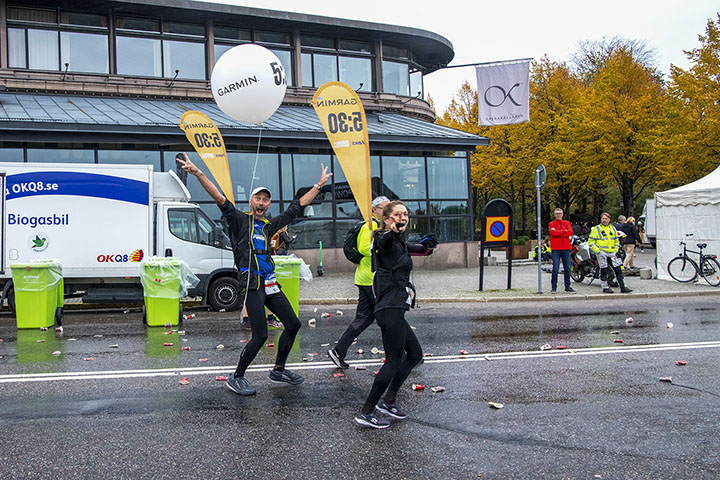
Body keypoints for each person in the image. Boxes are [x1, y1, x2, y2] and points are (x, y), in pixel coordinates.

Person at [177, 153, 331, 396]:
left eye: (266, 200)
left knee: (293, 324)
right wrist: (198, 173)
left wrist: (319, 184)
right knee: (260, 335)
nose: (262, 202)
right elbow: (219, 197)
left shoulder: (269, 225)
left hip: (270, 283)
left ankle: (278, 370)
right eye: (258, 198)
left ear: (268, 205)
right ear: (251, 201)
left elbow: (297, 207)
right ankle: (236, 376)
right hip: (252, 283)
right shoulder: (239, 220)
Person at [354, 200, 436, 429]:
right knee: (393, 360)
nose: (403, 218)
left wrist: (429, 244)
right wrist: (392, 231)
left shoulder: (399, 242)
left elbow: (419, 248)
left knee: (415, 354)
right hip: (389, 308)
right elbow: (385, 239)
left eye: (405, 214)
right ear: (387, 218)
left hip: (396, 307)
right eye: (398, 214)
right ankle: (366, 411)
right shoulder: (382, 238)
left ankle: (389, 400)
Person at [328, 196, 390, 369]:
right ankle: (401, 354)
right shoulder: (370, 226)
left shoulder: (379, 225)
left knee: (363, 319)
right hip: (372, 279)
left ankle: (338, 351)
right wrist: (384, 247)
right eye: (383, 208)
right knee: (390, 316)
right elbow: (364, 248)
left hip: (366, 278)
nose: (387, 211)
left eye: (389, 208)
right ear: (374, 210)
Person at [588, 212, 632, 294]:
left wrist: (615, 249)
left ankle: (623, 287)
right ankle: (605, 287)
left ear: (609, 219)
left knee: (618, 270)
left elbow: (616, 240)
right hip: (602, 252)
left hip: (612, 252)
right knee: (604, 270)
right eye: (603, 218)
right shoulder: (596, 229)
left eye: (606, 218)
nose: (605, 220)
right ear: (601, 219)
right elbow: (591, 241)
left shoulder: (612, 228)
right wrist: (597, 250)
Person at [548, 208, 575, 294]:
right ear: (554, 215)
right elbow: (553, 233)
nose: (558, 215)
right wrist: (564, 231)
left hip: (566, 248)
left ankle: (567, 286)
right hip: (556, 248)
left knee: (567, 268)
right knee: (555, 268)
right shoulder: (551, 224)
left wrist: (559, 232)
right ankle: (554, 287)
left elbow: (570, 232)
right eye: (556, 213)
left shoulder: (567, 223)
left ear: (562, 214)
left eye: (559, 213)